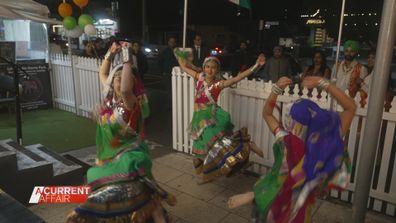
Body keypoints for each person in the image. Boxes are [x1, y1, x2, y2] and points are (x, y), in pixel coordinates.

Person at [67, 42, 175, 223]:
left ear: (133, 82)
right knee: (96, 177)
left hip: (129, 153)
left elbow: (125, 89)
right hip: (108, 154)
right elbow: (102, 73)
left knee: (130, 178)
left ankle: (155, 216)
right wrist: (110, 52)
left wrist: (126, 56)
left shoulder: (130, 102)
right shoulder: (109, 100)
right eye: (115, 78)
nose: (118, 81)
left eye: (123, 78)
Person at [227, 76, 356, 222]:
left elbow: (267, 113)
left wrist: (276, 89)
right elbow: (351, 107)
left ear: (290, 122)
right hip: (300, 210)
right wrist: (323, 83)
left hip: (275, 208)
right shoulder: (327, 142)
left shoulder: (285, 140)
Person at [176, 53, 266, 184]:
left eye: (213, 67)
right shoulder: (199, 77)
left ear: (217, 70)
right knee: (201, 149)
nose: (209, 70)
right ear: (204, 67)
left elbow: (237, 78)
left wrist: (256, 66)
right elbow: (184, 68)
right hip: (198, 118)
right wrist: (179, 56)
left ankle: (248, 145)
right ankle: (206, 175)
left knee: (214, 146)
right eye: (207, 67)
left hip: (211, 117)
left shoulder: (219, 84)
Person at [158, 36, 178, 106]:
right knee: (169, 91)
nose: (172, 43)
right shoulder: (164, 52)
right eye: (171, 42)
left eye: (173, 42)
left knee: (176, 90)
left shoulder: (177, 52)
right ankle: (170, 105)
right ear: (168, 42)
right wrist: (162, 72)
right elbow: (159, 62)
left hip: (176, 74)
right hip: (167, 74)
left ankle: (175, 104)